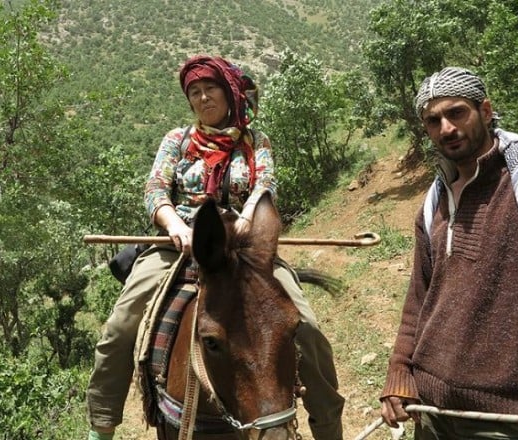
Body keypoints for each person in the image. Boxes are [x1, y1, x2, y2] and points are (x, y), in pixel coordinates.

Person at [86, 55, 344, 440]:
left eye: (211, 89)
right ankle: (101, 426)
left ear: (230, 94)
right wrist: (174, 223)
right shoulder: (177, 140)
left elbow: (265, 185)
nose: (204, 98)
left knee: (305, 326)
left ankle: (328, 426)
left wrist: (249, 217)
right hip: (180, 245)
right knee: (121, 326)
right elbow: (155, 187)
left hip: (244, 248)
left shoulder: (256, 142)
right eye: (195, 92)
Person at [380, 67, 518, 439]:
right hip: (433, 410)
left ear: (485, 111)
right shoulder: (434, 201)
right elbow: (420, 297)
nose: (446, 128)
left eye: (456, 113)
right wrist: (400, 371)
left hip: (507, 418)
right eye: (433, 120)